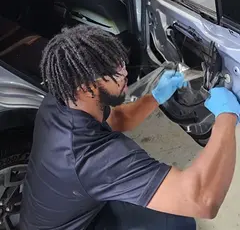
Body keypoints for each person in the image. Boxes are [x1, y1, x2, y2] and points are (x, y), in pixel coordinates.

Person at [20, 24, 240, 230]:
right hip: (77, 225)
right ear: (87, 89)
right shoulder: (90, 156)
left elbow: (118, 120)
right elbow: (203, 200)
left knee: (171, 216)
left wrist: (156, 96)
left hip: (76, 208)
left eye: (120, 63)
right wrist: (227, 115)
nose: (124, 73)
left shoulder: (62, 98)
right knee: (178, 220)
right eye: (114, 72)